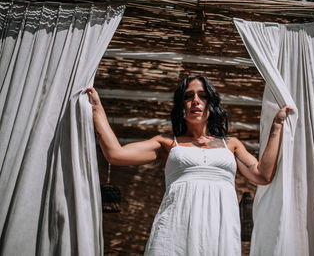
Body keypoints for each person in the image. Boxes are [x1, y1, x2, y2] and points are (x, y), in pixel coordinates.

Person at [87, 75, 292, 256]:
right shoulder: (167, 143)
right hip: (175, 231)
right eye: (188, 96)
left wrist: (277, 126)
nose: (195, 101)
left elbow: (262, 174)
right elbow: (116, 154)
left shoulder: (231, 145)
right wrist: (96, 107)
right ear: (181, 105)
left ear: (210, 104)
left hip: (219, 232)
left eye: (202, 96)